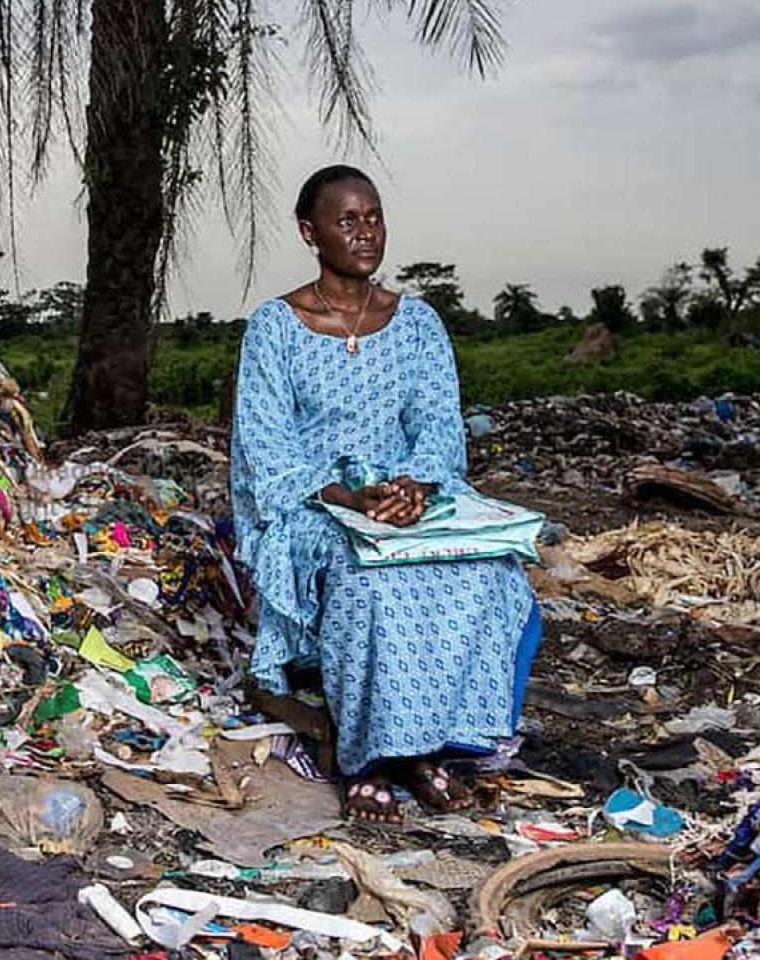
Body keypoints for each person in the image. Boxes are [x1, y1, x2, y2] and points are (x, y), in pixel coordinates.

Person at [230, 165, 541, 822]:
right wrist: (349, 499)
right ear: (310, 233)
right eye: (347, 220)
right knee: (367, 578)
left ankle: (433, 747)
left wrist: (416, 487)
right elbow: (266, 450)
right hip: (316, 504)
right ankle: (368, 759)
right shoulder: (276, 328)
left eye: (373, 217)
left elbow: (438, 427)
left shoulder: (418, 324)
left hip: (406, 500)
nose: (366, 232)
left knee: (493, 571)